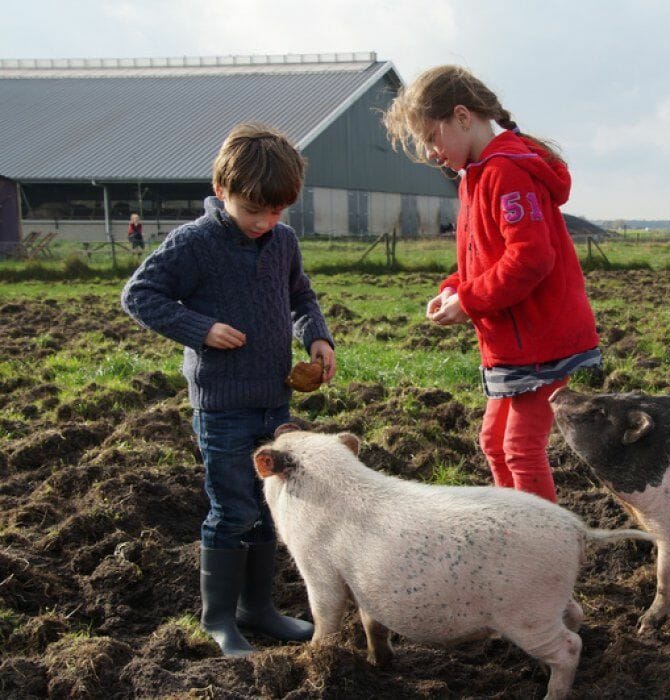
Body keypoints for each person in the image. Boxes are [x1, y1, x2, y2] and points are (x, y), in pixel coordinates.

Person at [121, 122, 336, 657]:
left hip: (274, 399)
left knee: (267, 506)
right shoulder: (195, 243)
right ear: (222, 192)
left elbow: (301, 299)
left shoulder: (281, 242)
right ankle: (218, 617)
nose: (265, 223)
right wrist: (200, 330)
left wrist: (317, 339)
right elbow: (140, 294)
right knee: (233, 508)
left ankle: (257, 608)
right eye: (252, 211)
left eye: (277, 212)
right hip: (222, 406)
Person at [384, 65, 601, 503]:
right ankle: (518, 531)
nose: (430, 154)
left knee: (520, 449)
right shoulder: (476, 176)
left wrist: (469, 301)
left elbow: (531, 257)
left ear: (462, 117)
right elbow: (482, 257)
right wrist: (453, 288)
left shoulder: (506, 173)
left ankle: (542, 549)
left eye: (431, 138)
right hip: (510, 341)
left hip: (540, 342)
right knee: (493, 444)